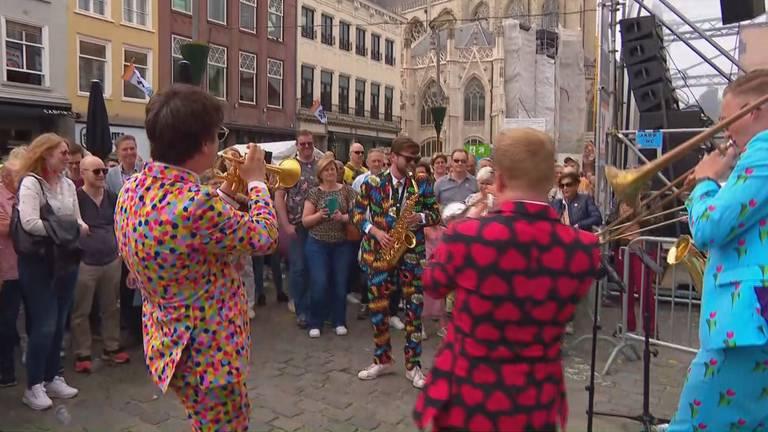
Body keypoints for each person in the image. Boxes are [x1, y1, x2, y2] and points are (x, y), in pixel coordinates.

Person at [413, 128, 601, 431]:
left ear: (498, 181)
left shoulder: (466, 235)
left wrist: (465, 226)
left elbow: (433, 284)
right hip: (534, 404)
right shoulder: (583, 249)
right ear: (553, 181)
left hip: (468, 400)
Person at [114, 84, 278, 431]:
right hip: (209, 352)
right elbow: (265, 238)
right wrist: (257, 183)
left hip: (168, 341)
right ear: (204, 143)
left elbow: (180, 230)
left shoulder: (133, 187)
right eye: (217, 136)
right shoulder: (199, 204)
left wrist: (223, 196)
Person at [662, 69, 768, 432]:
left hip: (745, 322)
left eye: (727, 119)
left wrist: (705, 182)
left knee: (692, 425)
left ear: (753, 111)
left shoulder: (764, 151)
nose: (723, 130)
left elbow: (709, 228)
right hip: (753, 321)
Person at [352, 136, 440, 389]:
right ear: (393, 157)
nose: (413, 163)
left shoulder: (421, 182)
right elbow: (357, 215)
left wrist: (419, 216)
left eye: (416, 159)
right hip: (380, 252)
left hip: (411, 254)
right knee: (379, 309)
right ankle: (382, 359)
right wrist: (375, 232)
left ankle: (414, 366)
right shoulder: (372, 182)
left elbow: (435, 214)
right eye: (408, 159)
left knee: (414, 311)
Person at [16, 133, 87, 410]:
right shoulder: (32, 183)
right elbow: (30, 222)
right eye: (62, 152)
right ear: (45, 154)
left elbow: (78, 219)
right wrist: (67, 229)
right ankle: (33, 386)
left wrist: (74, 227)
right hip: (39, 264)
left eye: (67, 152)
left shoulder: (69, 185)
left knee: (60, 322)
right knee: (43, 324)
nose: (67, 157)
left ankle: (52, 376)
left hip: (66, 260)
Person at [70, 156, 129, 373]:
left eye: (104, 170)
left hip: (111, 259)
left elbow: (120, 224)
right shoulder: (75, 198)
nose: (102, 174)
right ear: (83, 173)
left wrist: (121, 253)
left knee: (111, 306)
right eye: (96, 171)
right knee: (81, 310)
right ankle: (83, 352)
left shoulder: (112, 197)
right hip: (85, 261)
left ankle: (111, 347)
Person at [302, 156, 357, 338]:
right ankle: (315, 321)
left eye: (332, 169)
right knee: (320, 282)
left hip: (341, 244)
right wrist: (319, 215)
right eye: (326, 170)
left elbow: (357, 215)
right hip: (317, 244)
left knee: (340, 283)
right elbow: (305, 221)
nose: (330, 172)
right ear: (320, 173)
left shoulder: (347, 191)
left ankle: (339, 320)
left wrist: (343, 217)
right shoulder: (314, 193)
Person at [275, 131, 318, 329]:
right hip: (297, 225)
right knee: (299, 268)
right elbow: (279, 198)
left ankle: (314, 308)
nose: (307, 147)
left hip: (319, 225)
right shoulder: (288, 166)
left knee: (314, 269)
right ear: (297, 145)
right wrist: (285, 225)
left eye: (309, 144)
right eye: (303, 144)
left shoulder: (321, 165)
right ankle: (301, 311)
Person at [351, 147, 388, 321]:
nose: (377, 164)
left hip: (385, 233)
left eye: (380, 161)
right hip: (365, 229)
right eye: (374, 161)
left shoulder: (388, 181)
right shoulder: (359, 181)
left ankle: (382, 306)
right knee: (365, 269)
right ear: (368, 162)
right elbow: (355, 207)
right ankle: (366, 301)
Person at [0, 151, 24, 388]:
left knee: (27, 319)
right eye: (18, 176)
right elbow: (5, 229)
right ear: (6, 176)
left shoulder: (24, 196)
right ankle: (6, 371)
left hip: (28, 266)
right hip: (6, 269)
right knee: (7, 320)